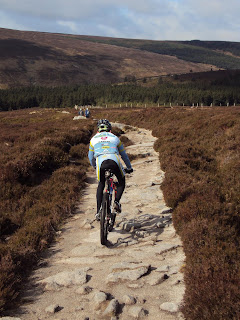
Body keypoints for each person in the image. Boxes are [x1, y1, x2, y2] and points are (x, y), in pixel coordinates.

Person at [88, 119, 133, 220]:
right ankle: (116, 202)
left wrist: (94, 166)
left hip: (101, 163)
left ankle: (98, 211)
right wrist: (129, 167)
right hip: (114, 161)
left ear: (98, 130)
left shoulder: (93, 139)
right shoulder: (115, 138)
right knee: (121, 181)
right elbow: (124, 155)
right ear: (110, 129)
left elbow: (90, 157)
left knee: (101, 184)